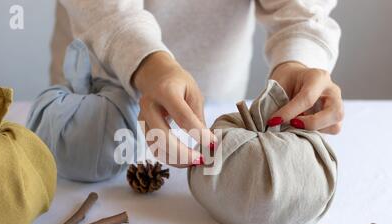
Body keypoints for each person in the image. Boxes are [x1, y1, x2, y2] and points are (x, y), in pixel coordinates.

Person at [27, 0, 343, 182]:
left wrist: (299, 58)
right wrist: (148, 63)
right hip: (90, 93)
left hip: (215, 95)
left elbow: (299, 9)